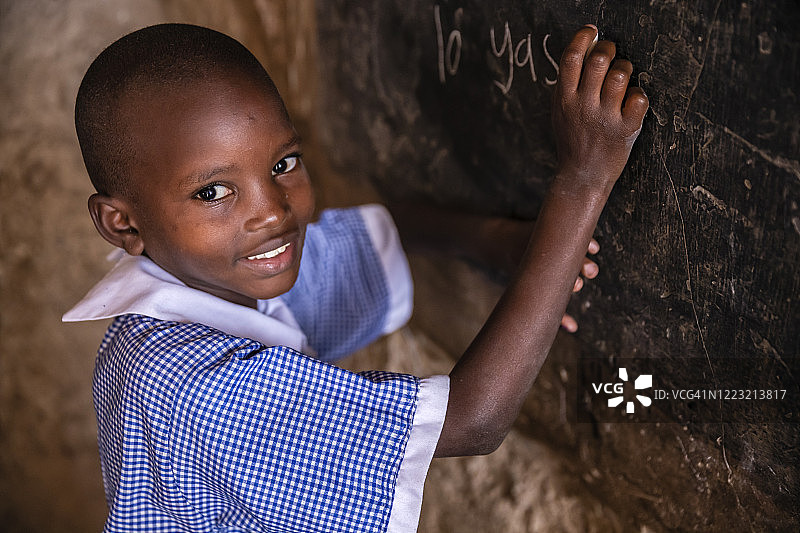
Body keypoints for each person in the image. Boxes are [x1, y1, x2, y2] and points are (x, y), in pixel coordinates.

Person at [64, 22, 647, 533]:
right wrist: (582, 182)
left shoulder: (203, 281)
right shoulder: (193, 385)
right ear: (122, 222)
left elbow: (364, 241)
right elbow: (474, 420)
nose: (272, 211)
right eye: (212, 192)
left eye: (283, 165)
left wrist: (495, 243)